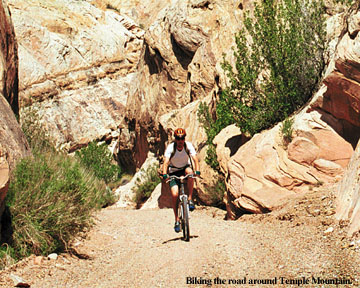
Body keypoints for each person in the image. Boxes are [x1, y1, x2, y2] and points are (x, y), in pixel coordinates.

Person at [162, 128, 200, 233]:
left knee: (190, 173)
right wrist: (165, 174)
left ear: (184, 139)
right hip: (173, 171)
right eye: (178, 138)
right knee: (175, 194)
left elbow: (195, 159)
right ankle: (177, 220)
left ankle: (190, 199)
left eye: (182, 138)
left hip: (184, 168)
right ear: (175, 139)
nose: (180, 141)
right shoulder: (171, 148)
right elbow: (165, 162)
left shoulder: (188, 146)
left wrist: (197, 171)